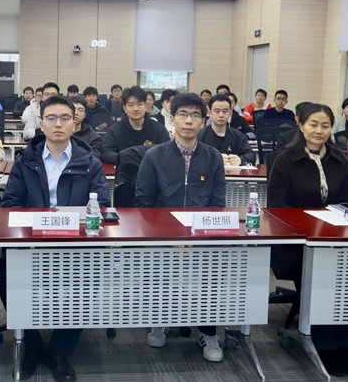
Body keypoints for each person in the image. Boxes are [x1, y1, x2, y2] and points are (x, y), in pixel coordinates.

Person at [0, 94, 110, 382]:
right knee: (4, 270)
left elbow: (102, 207)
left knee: (90, 274)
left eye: (65, 118)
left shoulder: (90, 163)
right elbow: (10, 205)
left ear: (75, 122)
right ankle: (32, 343)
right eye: (51, 118)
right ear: (41, 124)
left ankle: (60, 350)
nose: (58, 124)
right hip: (32, 243)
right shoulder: (25, 161)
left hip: (76, 246)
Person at [267, 103, 348, 377]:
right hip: (298, 245)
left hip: (333, 241)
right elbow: (278, 209)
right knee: (321, 278)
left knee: (345, 280)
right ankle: (325, 346)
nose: (319, 130)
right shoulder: (285, 159)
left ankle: (347, 346)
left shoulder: (339, 159)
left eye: (325, 125)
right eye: (313, 124)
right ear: (301, 125)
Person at [136, 93, 227, 361]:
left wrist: (199, 237)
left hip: (202, 235)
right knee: (162, 272)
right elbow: (144, 205)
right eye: (183, 115)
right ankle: (161, 320)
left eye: (195, 115)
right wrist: (168, 237)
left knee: (211, 271)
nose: (189, 121)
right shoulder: (154, 156)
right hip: (164, 236)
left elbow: (217, 204)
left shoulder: (213, 157)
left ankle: (208, 331)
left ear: (203, 121)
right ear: (172, 119)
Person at [101, 86, 170, 165]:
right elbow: (106, 153)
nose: (135, 109)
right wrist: (129, 159)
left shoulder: (158, 128)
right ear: (124, 108)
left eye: (139, 104)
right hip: (125, 170)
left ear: (145, 106)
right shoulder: (115, 130)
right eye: (131, 105)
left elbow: (167, 151)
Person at [198, 94, 256, 166]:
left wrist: (241, 159)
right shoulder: (199, 136)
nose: (221, 115)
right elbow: (192, 157)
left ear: (230, 113)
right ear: (209, 113)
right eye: (217, 111)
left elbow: (251, 155)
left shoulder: (238, 136)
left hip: (233, 172)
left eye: (225, 111)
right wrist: (214, 159)